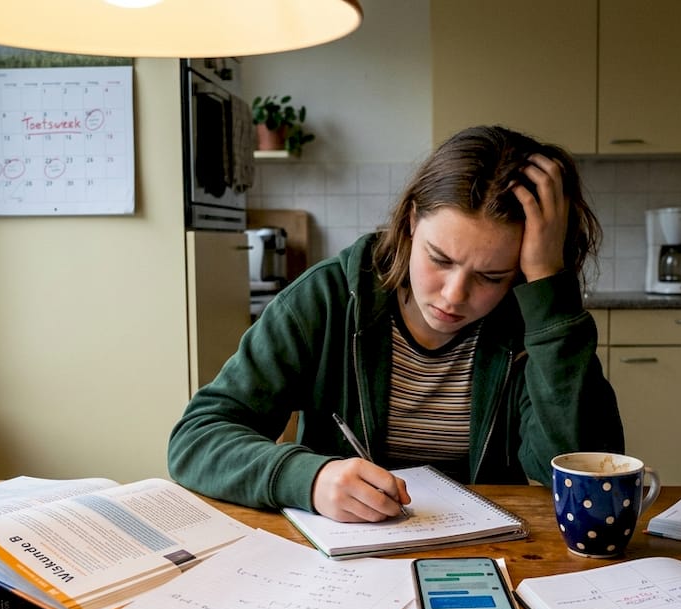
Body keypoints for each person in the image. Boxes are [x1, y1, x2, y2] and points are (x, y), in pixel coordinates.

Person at [168, 125, 624, 523]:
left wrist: (549, 287)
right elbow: (196, 439)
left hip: (498, 551)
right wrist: (308, 477)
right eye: (439, 258)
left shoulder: (531, 318)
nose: (453, 295)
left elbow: (580, 469)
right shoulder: (327, 300)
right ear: (409, 223)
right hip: (343, 556)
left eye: (491, 276)